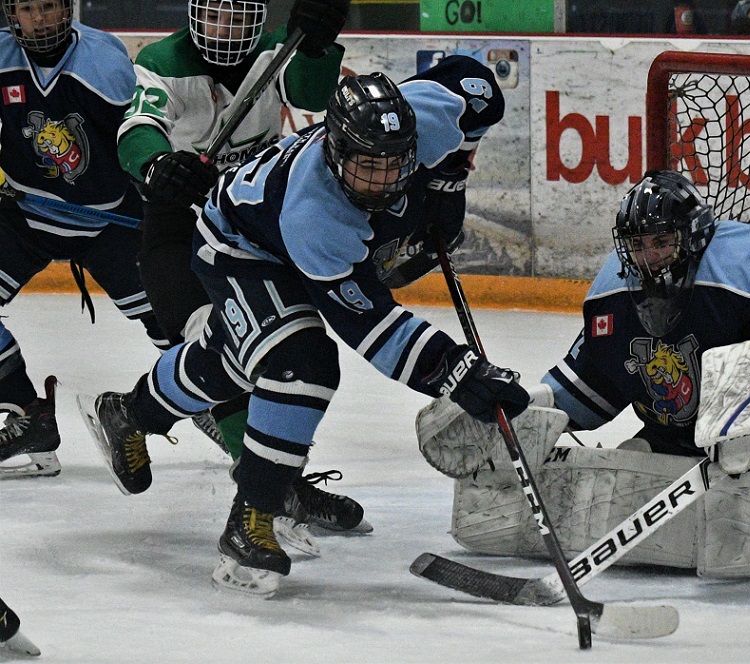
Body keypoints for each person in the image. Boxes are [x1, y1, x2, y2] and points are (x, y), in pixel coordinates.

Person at [80, 55, 530, 596]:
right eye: (367, 164)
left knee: (224, 361)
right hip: (238, 247)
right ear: (336, 152)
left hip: (278, 233)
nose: (384, 178)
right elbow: (374, 328)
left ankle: (128, 414)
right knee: (301, 364)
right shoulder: (316, 217)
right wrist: (454, 370)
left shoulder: (425, 117)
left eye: (395, 163)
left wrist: (449, 177)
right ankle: (251, 520)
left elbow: (478, 89)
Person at [115, 0, 360, 534]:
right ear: (193, 13)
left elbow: (311, 96)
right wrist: (158, 164)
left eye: (237, 16)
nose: (224, 29)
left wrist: (316, 44)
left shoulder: (277, 48)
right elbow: (137, 126)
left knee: (284, 348)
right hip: (178, 233)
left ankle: (266, 476)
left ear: (257, 19)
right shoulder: (163, 60)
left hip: (247, 231)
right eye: (214, 15)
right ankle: (271, 485)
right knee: (223, 342)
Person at [542, 169, 750, 461]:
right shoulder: (613, 290)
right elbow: (595, 379)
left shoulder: (748, 259)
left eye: (661, 242)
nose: (649, 259)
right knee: (638, 457)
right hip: (684, 430)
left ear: (692, 236)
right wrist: (539, 412)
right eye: (637, 244)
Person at [0, 0, 168, 479]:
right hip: (26, 214)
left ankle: (204, 402)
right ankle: (28, 416)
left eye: (49, 6)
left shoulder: (104, 61)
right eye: (28, 9)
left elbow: (138, 139)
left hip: (110, 220)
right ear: (12, 14)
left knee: (176, 317)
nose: (40, 18)